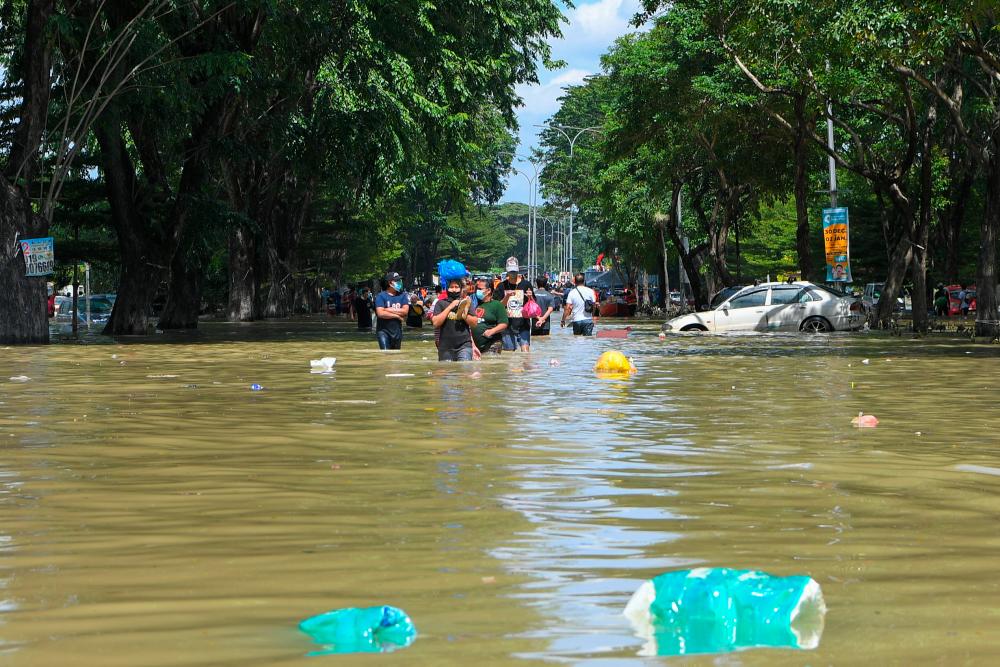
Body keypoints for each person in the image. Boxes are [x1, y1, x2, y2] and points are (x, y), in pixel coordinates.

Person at [432, 278, 479, 361]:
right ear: (447, 289)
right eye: (451, 287)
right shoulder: (440, 303)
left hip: (464, 345)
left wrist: (463, 314)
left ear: (461, 289)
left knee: (464, 368)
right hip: (445, 346)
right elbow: (436, 323)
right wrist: (450, 306)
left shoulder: (466, 303)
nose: (454, 290)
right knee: (448, 372)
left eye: (456, 287)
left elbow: (474, 323)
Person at [494, 256, 531, 351]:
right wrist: (507, 297)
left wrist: (530, 297)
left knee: (525, 352)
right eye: (511, 271)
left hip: (524, 323)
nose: (513, 273)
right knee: (510, 353)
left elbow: (533, 304)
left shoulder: (526, 284)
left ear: (518, 270)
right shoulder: (501, 286)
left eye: (514, 271)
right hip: (507, 324)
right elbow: (497, 306)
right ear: (507, 271)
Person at [374, 272, 409, 349]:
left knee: (395, 356)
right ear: (390, 283)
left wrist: (387, 309)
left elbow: (405, 311)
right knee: (385, 354)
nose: (400, 282)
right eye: (397, 281)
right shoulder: (381, 296)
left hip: (397, 332)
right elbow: (380, 313)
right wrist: (397, 316)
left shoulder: (403, 296)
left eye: (400, 280)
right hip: (383, 331)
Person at [472, 282, 508, 355]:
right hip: (475, 346)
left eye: (480, 289)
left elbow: (504, 324)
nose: (477, 291)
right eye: (476, 289)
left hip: (492, 343)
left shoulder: (497, 305)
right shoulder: (474, 304)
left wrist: (492, 331)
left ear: (488, 290)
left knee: (490, 364)